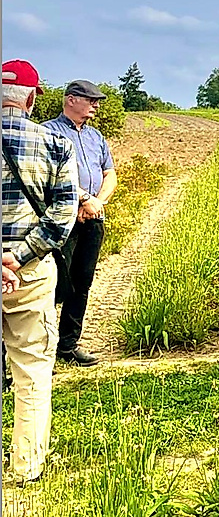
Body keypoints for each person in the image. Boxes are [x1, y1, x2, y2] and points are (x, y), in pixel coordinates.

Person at [2, 59, 79, 484]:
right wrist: (18, 256)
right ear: (33, 98)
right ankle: (26, 465)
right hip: (29, 273)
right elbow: (63, 213)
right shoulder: (55, 144)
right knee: (31, 367)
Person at [42, 80, 116, 367]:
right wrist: (84, 199)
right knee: (55, 283)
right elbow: (52, 176)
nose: (95, 105)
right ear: (71, 100)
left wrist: (98, 202)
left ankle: (68, 345)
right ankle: (43, 347)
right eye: (90, 100)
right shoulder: (48, 132)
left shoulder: (96, 136)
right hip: (62, 220)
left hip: (94, 217)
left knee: (82, 282)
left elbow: (110, 174)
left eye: (97, 100)